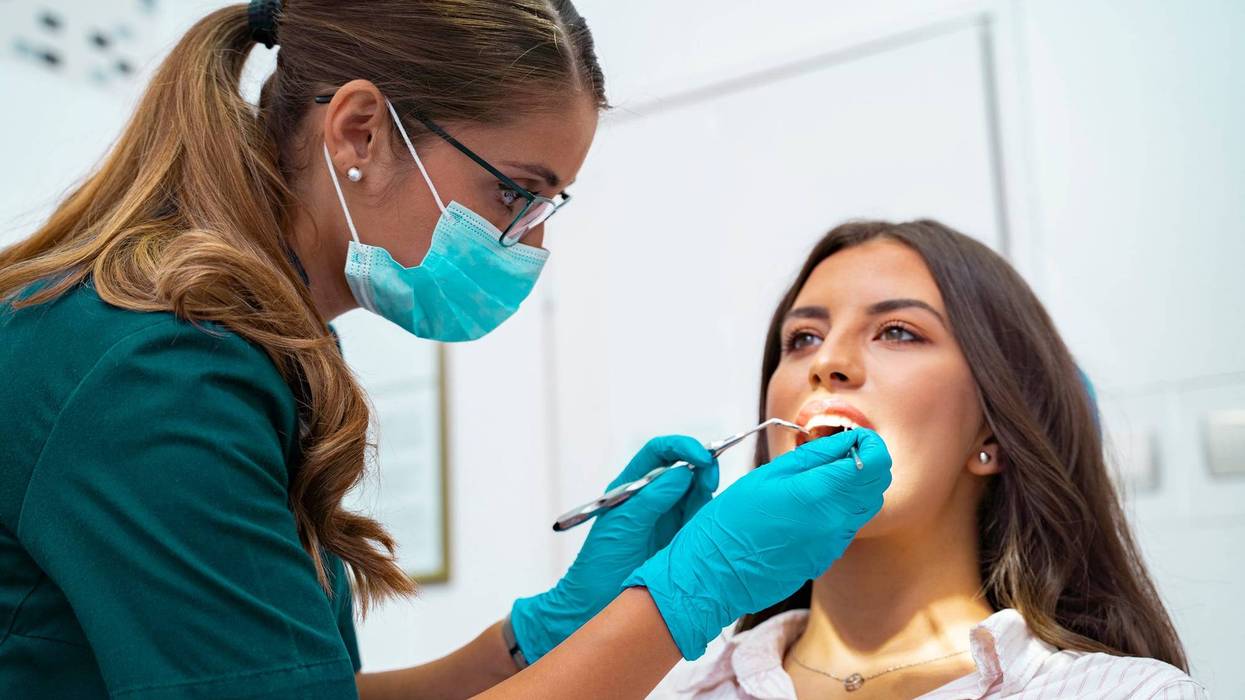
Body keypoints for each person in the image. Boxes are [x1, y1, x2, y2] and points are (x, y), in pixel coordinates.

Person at [0, 3, 895, 699]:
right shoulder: (156, 373)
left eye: (548, 208)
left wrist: (533, 642)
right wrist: (682, 596)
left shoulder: (221, 349)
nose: (528, 244)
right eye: (514, 194)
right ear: (359, 133)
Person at [658, 220, 1205, 699]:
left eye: (897, 332)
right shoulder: (674, 689)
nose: (827, 361)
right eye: (803, 338)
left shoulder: (1132, 695)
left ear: (991, 434)